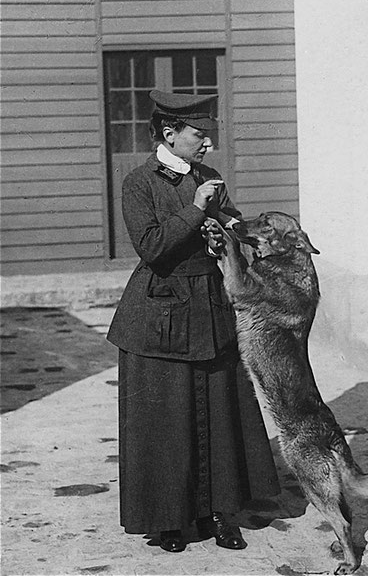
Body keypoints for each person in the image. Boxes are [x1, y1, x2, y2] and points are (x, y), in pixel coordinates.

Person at [107, 89, 279, 553]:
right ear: (170, 134)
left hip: (209, 306)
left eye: (207, 136)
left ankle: (222, 513)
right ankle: (167, 520)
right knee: (164, 419)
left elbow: (234, 225)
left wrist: (229, 232)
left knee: (220, 414)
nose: (207, 144)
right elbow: (152, 247)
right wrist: (196, 209)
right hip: (158, 313)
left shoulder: (210, 177)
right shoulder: (140, 182)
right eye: (199, 136)